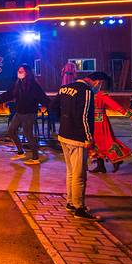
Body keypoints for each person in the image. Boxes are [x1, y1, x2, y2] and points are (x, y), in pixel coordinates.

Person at [50, 72, 102, 221]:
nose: (99, 87)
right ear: (95, 81)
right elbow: (84, 116)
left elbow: (53, 107)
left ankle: (71, 203)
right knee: (79, 174)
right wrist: (88, 138)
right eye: (100, 84)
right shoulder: (86, 91)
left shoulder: (64, 88)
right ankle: (79, 208)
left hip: (64, 134)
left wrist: (64, 120)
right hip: (77, 138)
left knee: (71, 172)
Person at [0, 64, 50, 165]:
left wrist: (53, 106)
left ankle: (35, 158)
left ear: (27, 72)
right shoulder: (17, 83)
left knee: (28, 134)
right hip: (19, 112)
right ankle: (20, 152)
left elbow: (43, 98)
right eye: (18, 71)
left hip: (29, 113)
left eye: (21, 71)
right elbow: (8, 95)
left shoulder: (34, 85)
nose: (19, 72)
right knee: (11, 131)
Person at [88, 73, 132, 173]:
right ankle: (101, 166)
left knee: (105, 141)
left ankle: (116, 160)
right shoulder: (88, 93)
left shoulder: (101, 95)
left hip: (100, 122)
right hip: (91, 121)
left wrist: (127, 113)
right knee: (94, 142)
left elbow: (114, 105)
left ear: (98, 82)